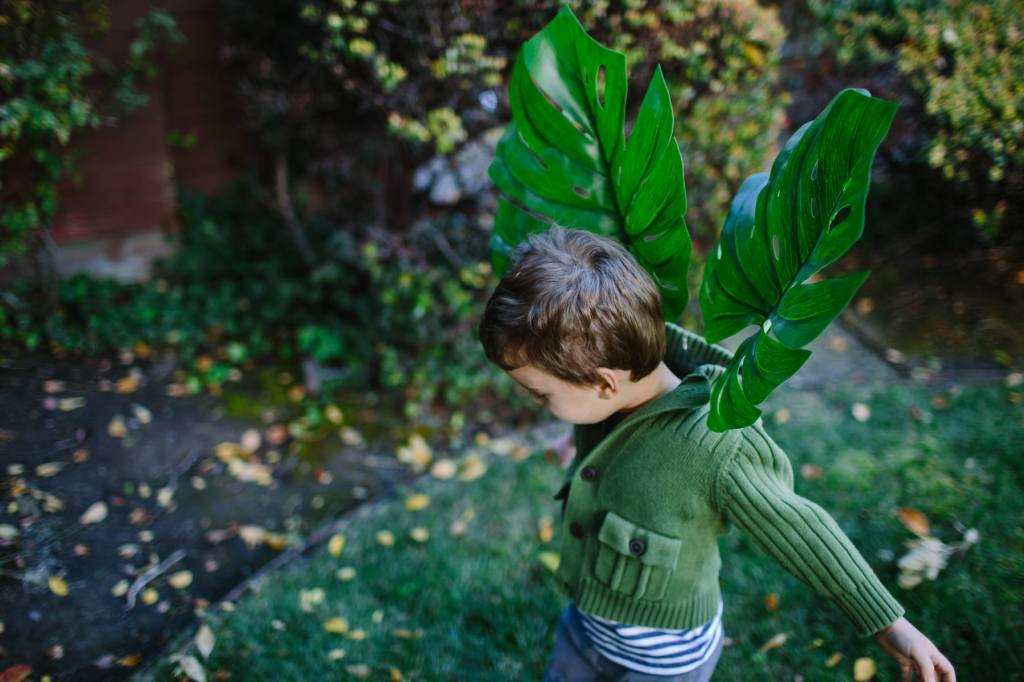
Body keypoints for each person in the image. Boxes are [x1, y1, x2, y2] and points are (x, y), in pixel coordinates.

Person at [479, 227, 956, 682]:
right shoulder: (618, 382)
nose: (539, 403)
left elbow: (802, 530)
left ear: (604, 382)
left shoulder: (717, 445)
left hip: (662, 662)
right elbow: (607, 429)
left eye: (542, 396)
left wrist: (887, 622)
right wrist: (575, 442)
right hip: (586, 629)